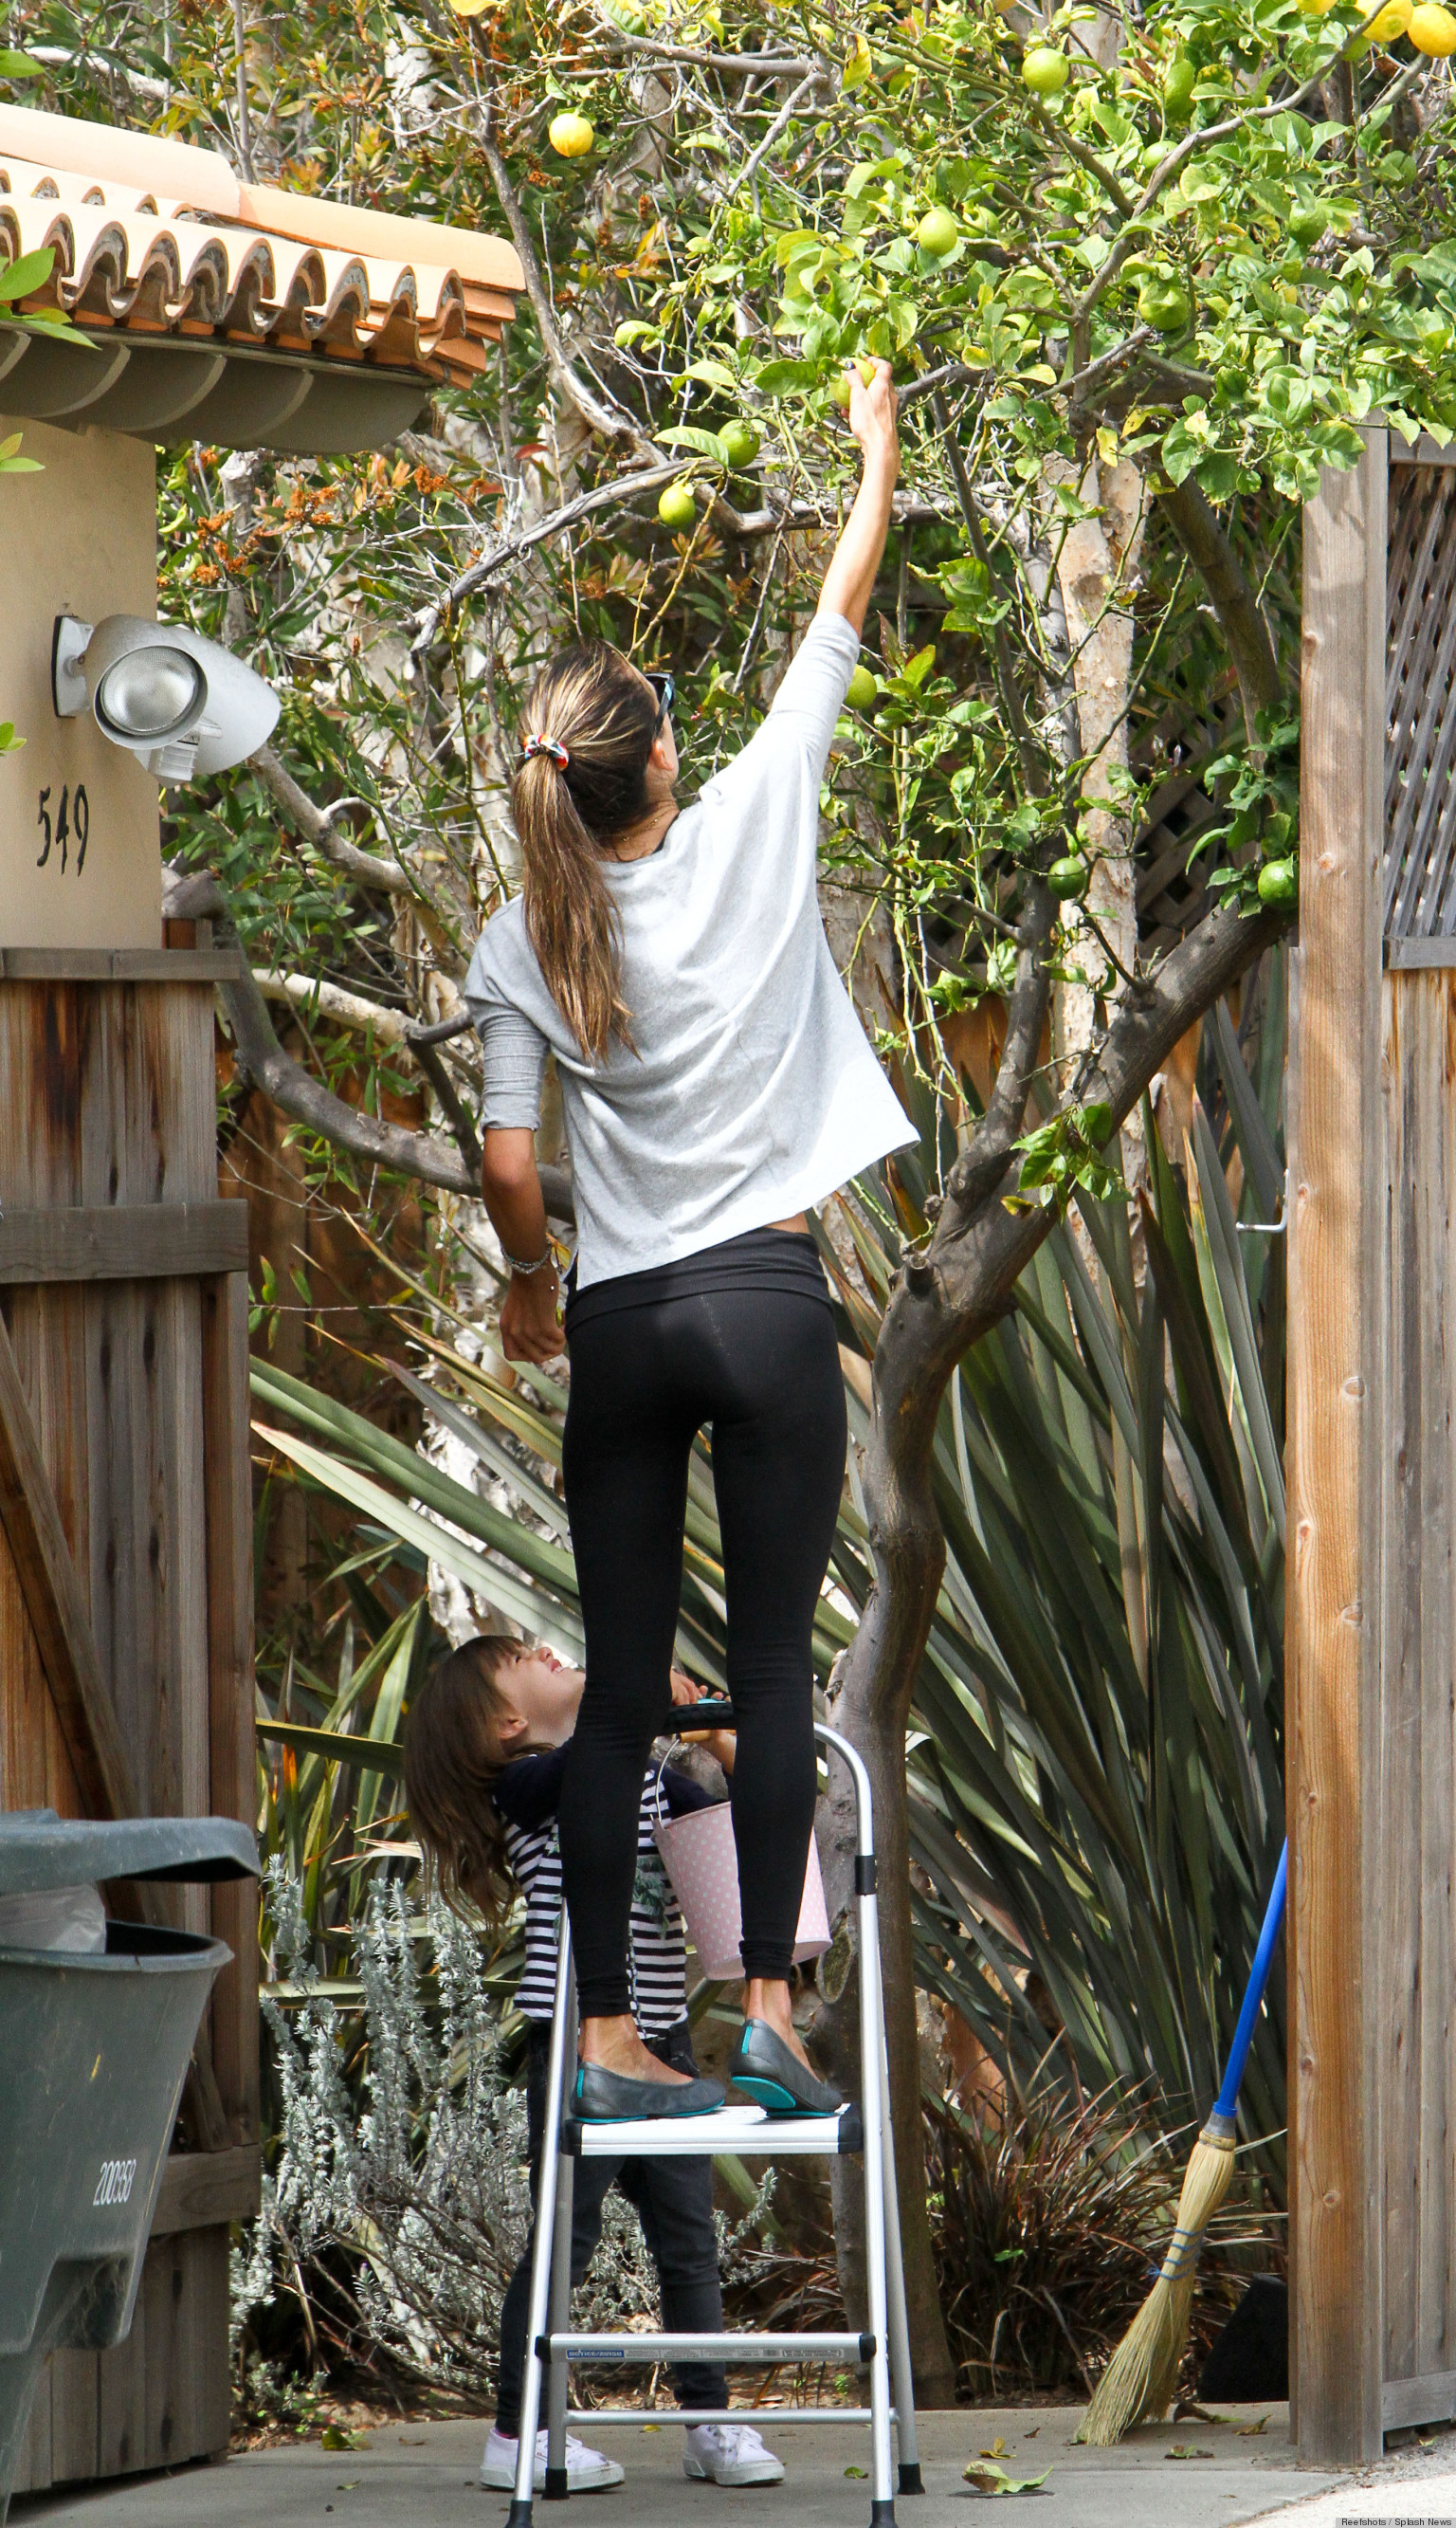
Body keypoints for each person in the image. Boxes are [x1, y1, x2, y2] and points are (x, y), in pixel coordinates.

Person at [464, 358, 912, 2122]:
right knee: (779, 1665)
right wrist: (870, 449)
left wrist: (524, 1284)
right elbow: (838, 601)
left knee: (624, 1682)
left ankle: (593, 2038)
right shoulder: (749, 826)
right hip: (766, 1298)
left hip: (627, 1322)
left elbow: (513, 1164)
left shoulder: (524, 937)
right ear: (658, 760)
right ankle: (769, 2012)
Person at [404, 1633, 785, 2493]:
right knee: (563, 2243)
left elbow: (726, 1832)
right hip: (579, 2045)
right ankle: (521, 2430)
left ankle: (709, 2419)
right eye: (522, 1659)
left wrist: (714, 1741)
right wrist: (629, 1707)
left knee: (690, 2241)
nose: (546, 1647)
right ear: (508, 1723)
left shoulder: (648, 1777)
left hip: (666, 2044)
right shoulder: (529, 1788)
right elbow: (587, 1774)